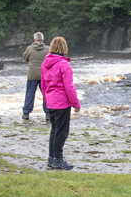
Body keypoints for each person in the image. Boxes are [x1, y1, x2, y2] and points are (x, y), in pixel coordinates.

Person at [41, 37, 81, 170]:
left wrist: (46, 99)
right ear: (64, 47)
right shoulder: (64, 65)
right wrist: (75, 103)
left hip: (51, 102)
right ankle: (58, 159)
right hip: (62, 103)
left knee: (54, 130)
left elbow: (43, 84)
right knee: (62, 132)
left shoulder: (45, 64)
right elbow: (69, 87)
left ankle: (51, 158)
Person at [22, 32, 50, 120]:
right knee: (46, 94)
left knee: (30, 94)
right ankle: (48, 114)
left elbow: (25, 58)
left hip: (32, 75)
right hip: (44, 75)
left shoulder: (29, 48)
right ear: (43, 40)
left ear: (34, 40)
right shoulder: (48, 49)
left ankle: (26, 113)